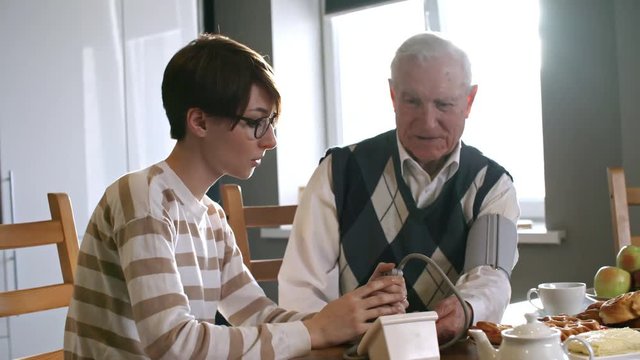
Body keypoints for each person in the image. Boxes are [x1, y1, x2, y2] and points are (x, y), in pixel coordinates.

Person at [64, 33, 408, 359]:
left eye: (271, 122)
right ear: (199, 122)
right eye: (256, 122)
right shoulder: (142, 196)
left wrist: (348, 316)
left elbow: (256, 314)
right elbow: (171, 344)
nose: (270, 140)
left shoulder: (211, 217)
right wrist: (314, 331)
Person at [278, 32, 520, 343]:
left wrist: (467, 310)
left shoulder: (493, 186)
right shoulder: (338, 173)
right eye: (412, 101)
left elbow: (491, 276)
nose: (428, 122)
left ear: (469, 101)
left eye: (444, 104)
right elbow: (302, 291)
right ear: (393, 96)